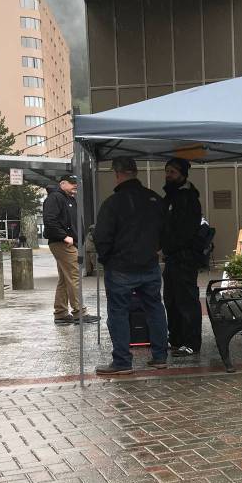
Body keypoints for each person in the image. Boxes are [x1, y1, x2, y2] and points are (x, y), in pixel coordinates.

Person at [92, 157, 169, 376]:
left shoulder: (112, 203)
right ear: (135, 172)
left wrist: (106, 259)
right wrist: (156, 248)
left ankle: (123, 362)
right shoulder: (154, 199)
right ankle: (160, 357)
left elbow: (101, 236)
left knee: (118, 312)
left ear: (117, 174)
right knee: (155, 308)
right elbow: (166, 230)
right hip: (149, 264)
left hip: (120, 267)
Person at [42, 173, 99, 326]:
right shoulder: (55, 198)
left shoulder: (68, 198)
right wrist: (64, 236)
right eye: (73, 183)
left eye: (77, 183)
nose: (76, 186)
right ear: (63, 183)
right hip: (63, 243)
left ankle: (60, 313)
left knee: (64, 278)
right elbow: (49, 220)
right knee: (74, 276)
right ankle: (79, 312)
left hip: (68, 243)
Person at [162, 157, 203, 357]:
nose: (168, 175)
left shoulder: (187, 198)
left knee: (187, 301)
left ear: (182, 175)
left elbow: (185, 231)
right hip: (172, 258)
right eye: (167, 171)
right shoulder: (171, 196)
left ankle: (191, 342)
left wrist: (168, 246)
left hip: (184, 258)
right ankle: (176, 338)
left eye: (173, 172)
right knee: (171, 299)